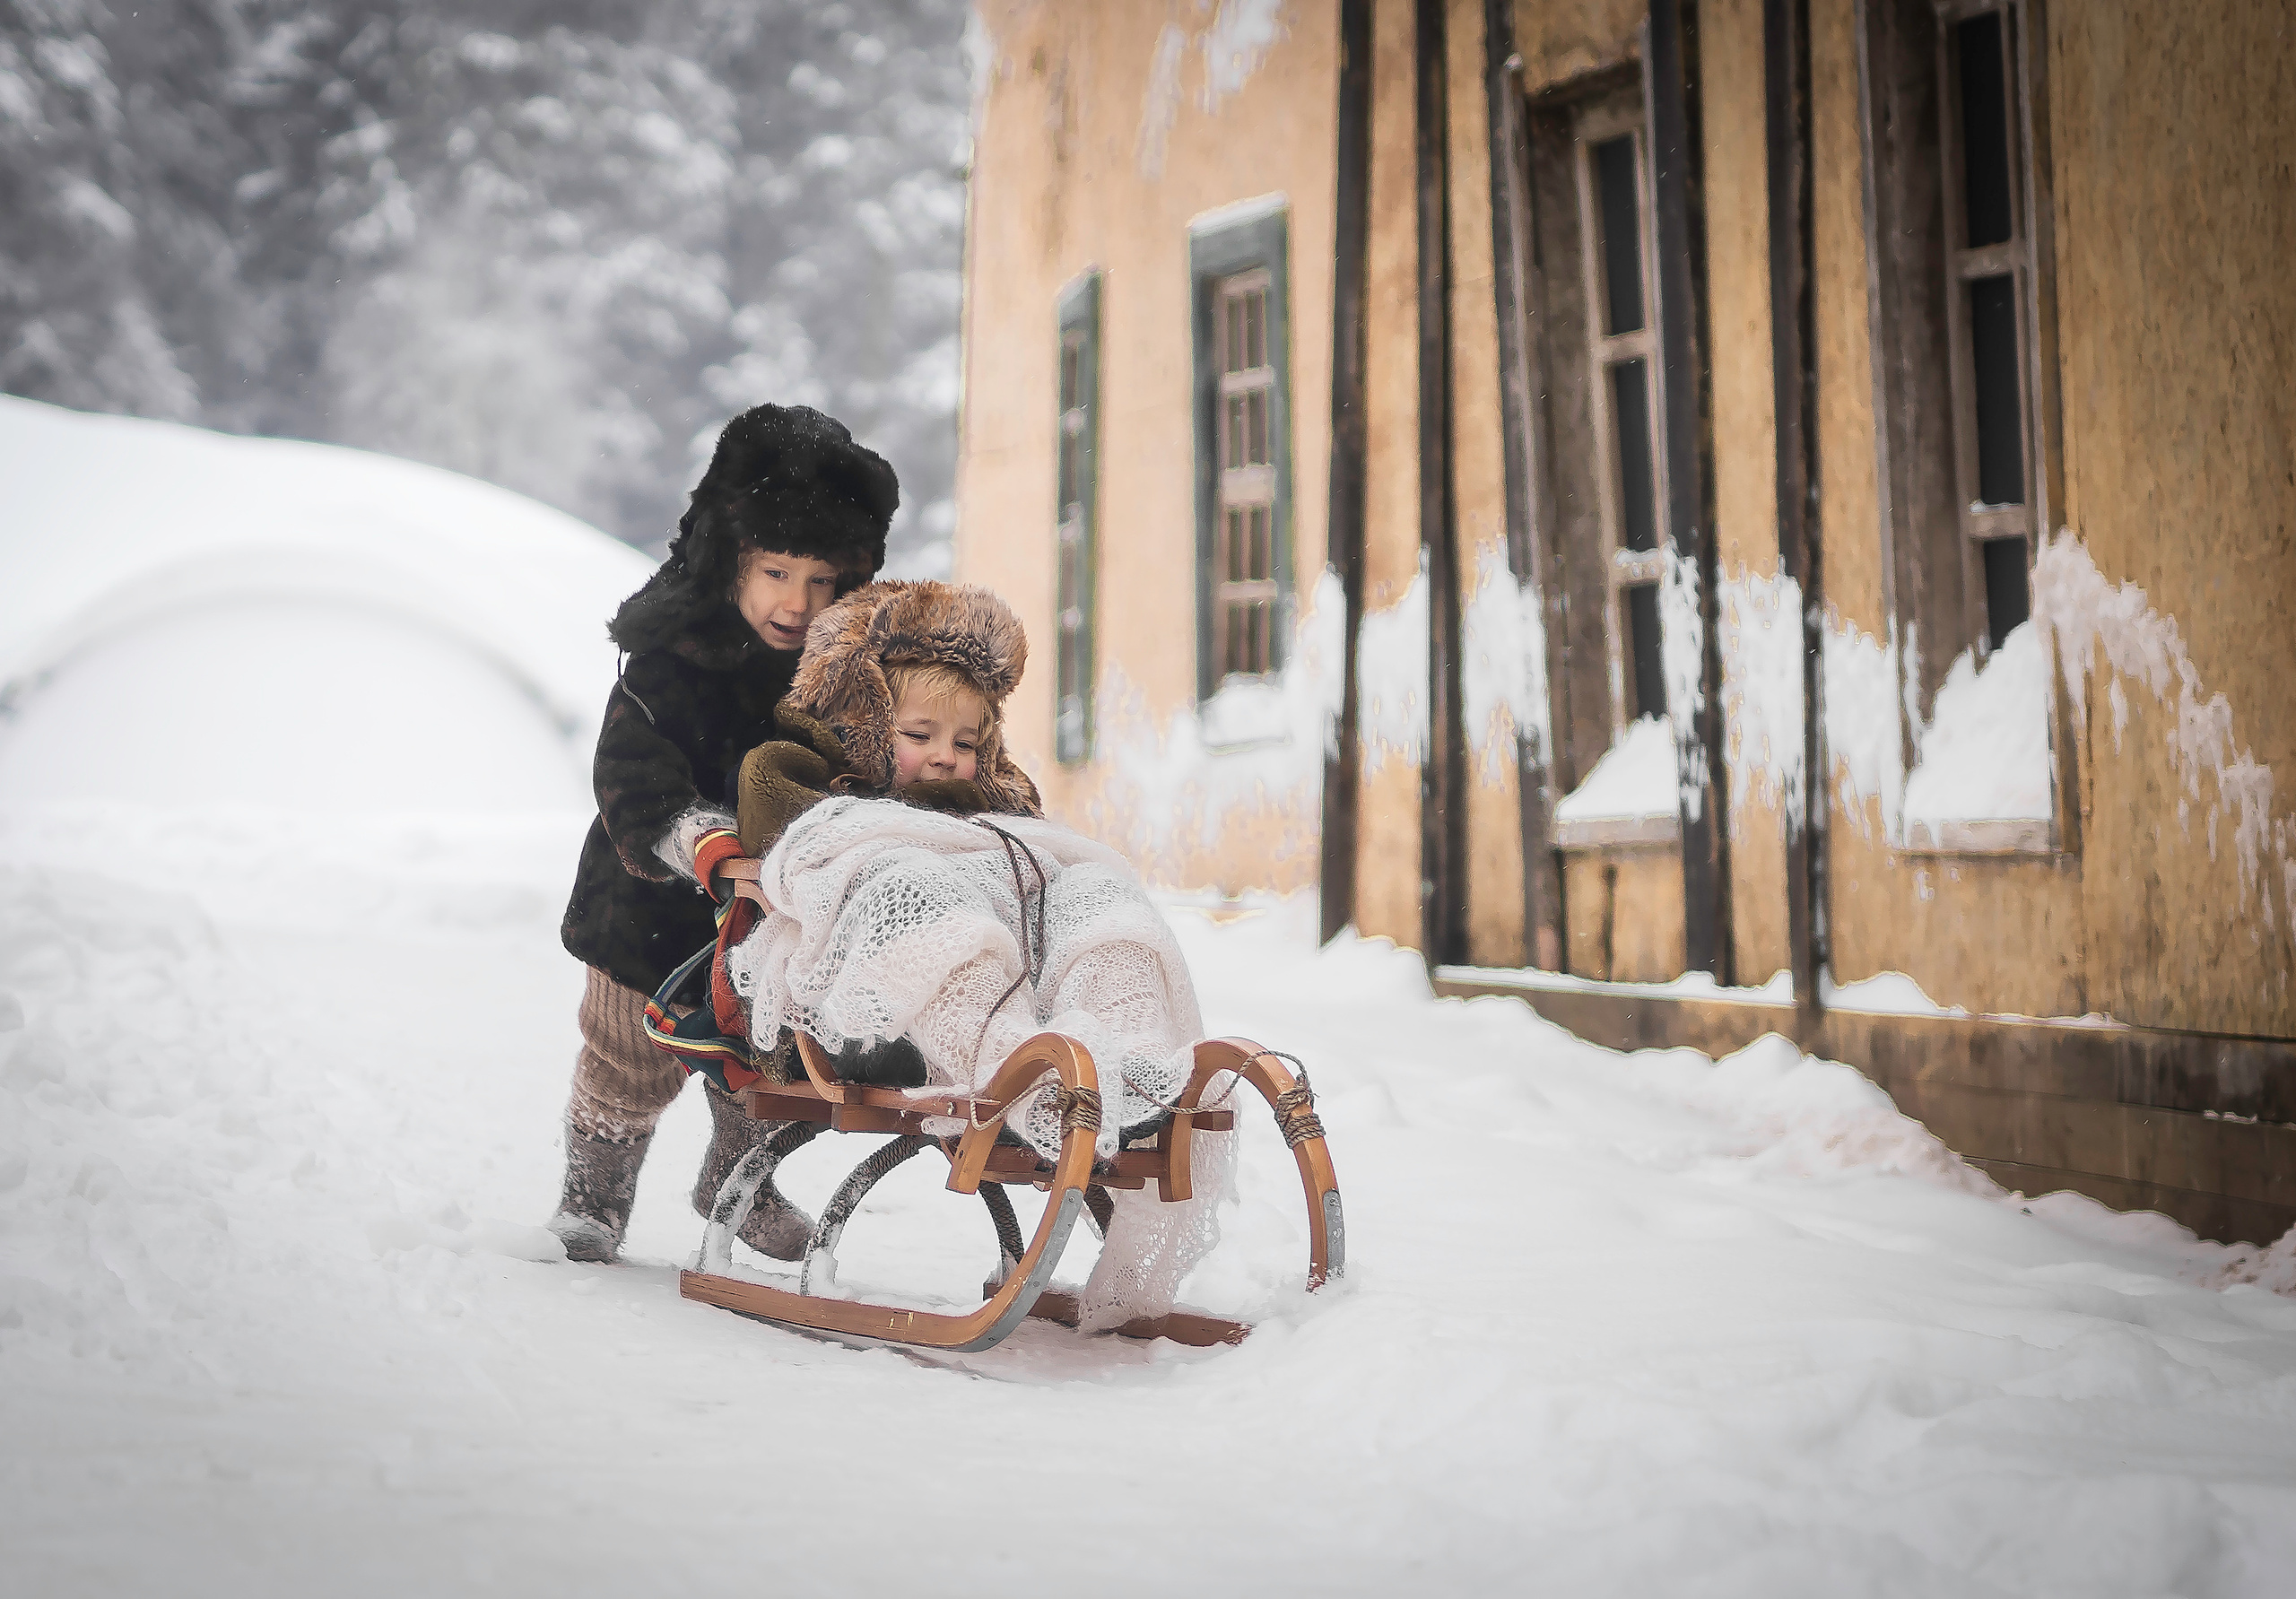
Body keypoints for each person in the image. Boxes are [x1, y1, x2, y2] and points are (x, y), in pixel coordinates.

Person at [722, 579, 1231, 1327]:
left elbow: (1034, 879)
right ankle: (1017, 1068)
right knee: (912, 878)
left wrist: (1008, 856)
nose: (944, 758)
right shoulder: (796, 770)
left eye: (965, 743)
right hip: (871, 1010)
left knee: (1088, 886)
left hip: (1029, 993)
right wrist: (893, 833)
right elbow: (790, 834)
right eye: (920, 734)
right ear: (867, 720)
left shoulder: (993, 808)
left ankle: (1130, 1050)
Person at [548, 404, 897, 1265]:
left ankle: (736, 1180)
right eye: (776, 571)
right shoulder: (670, 656)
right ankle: (592, 1197)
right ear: (731, 560)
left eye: (821, 581)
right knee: (629, 1058)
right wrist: (702, 841)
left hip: (773, 910)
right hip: (650, 899)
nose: (796, 601)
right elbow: (631, 780)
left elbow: (867, 767)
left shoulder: (840, 675)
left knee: (761, 1059)